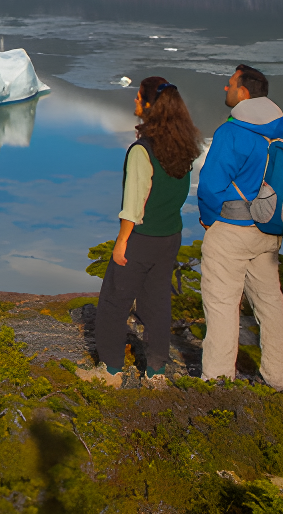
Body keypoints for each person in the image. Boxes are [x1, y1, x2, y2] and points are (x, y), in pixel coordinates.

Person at [81, 75, 201, 386]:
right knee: (157, 302)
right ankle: (156, 371)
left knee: (113, 302)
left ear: (149, 105)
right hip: (170, 236)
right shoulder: (183, 147)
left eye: (138, 97)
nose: (134, 102)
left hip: (142, 238)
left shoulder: (141, 151)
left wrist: (122, 242)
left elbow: (134, 204)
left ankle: (110, 371)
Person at [196, 63, 283, 391]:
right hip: (269, 230)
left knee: (223, 303)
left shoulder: (232, 131)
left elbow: (211, 184)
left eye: (229, 84)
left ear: (244, 91)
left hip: (230, 229)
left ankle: (217, 380)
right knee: (270, 303)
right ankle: (277, 376)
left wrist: (207, 216)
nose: (225, 89)